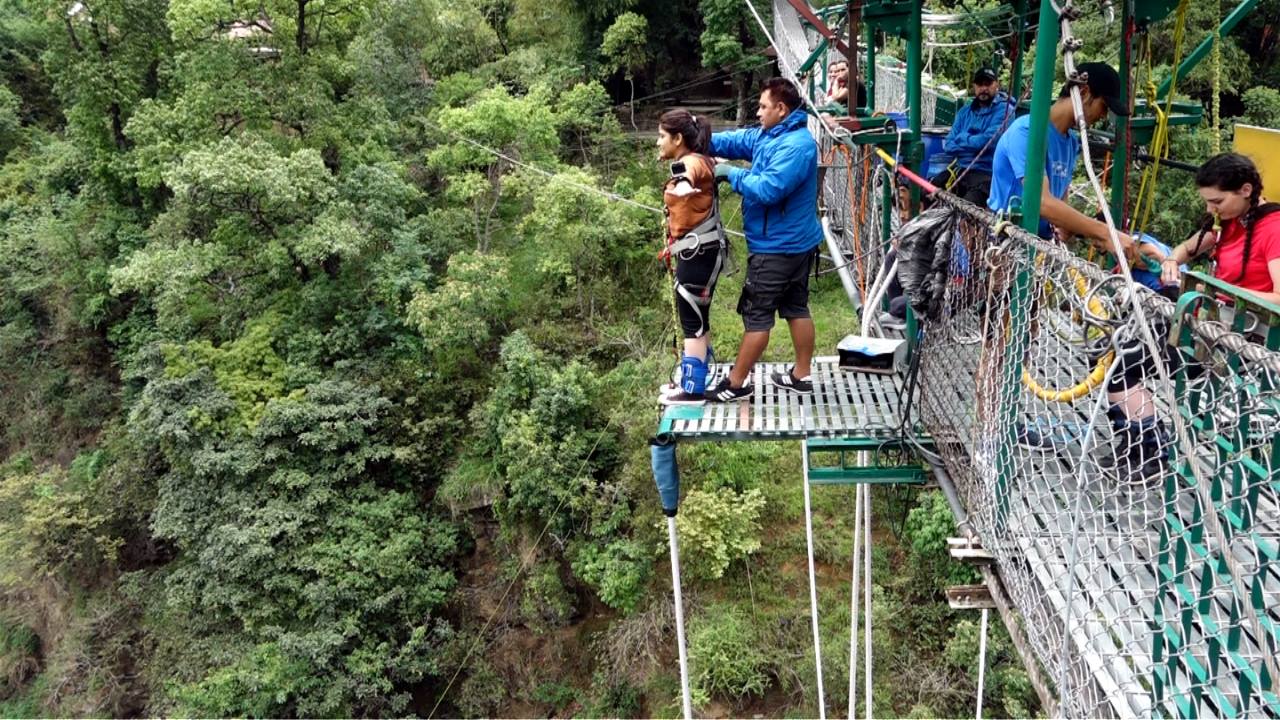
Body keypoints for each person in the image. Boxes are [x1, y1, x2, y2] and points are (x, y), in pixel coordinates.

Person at [1101, 153, 1280, 485]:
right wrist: (1173, 259)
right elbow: (1189, 247)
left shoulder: (1273, 228)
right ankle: (1141, 442)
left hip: (1241, 336)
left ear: (1245, 190)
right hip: (1211, 323)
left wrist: (1216, 291)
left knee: (1123, 367)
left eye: (1217, 201)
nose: (1212, 210)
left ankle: (1149, 451)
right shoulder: (1232, 222)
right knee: (1117, 348)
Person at [704, 77, 825, 402]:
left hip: (777, 248)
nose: (758, 112)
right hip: (794, 242)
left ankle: (736, 383)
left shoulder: (797, 146)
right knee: (796, 307)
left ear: (781, 109)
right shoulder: (771, 134)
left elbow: (769, 189)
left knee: (758, 317)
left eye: (763, 107)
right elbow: (739, 140)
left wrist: (730, 173)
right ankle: (801, 375)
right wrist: (702, 139)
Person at [987, 61, 1146, 265]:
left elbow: (1059, 206)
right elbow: (1041, 202)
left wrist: (1089, 233)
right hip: (1007, 242)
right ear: (1083, 92)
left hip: (1040, 245)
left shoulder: (1071, 142)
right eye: (1104, 107)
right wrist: (1106, 234)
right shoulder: (1026, 132)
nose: (1104, 116)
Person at [655, 109, 728, 405]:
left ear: (678, 138)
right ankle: (694, 379)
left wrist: (683, 186)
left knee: (692, 321)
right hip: (699, 252)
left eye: (662, 137)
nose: (658, 143)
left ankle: (693, 389)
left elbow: (687, 176)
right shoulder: (700, 158)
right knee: (697, 318)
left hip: (697, 254)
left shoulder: (689, 162)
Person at [932, 67, 1015, 205]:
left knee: (967, 209)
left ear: (997, 85)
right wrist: (974, 143)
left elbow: (987, 142)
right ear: (974, 86)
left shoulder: (1005, 110)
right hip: (960, 170)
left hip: (987, 174)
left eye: (987, 84)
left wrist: (963, 137)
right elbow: (949, 145)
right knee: (926, 191)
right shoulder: (965, 111)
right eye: (979, 84)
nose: (983, 88)